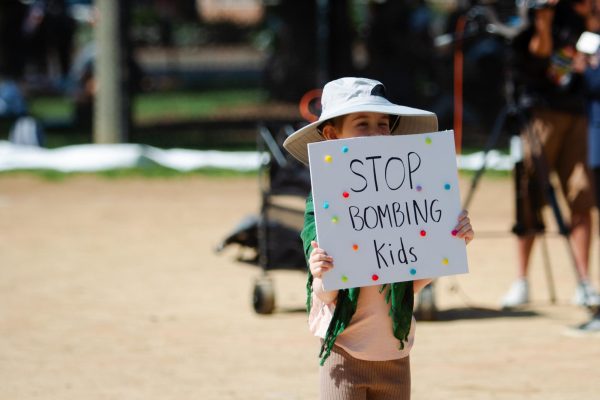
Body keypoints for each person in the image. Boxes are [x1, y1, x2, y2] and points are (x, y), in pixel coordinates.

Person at [283, 77, 475, 399]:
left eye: (383, 124)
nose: (376, 133)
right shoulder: (323, 207)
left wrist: (450, 241)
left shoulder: (407, 196)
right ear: (332, 135)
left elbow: (410, 281)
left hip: (396, 355)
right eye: (362, 124)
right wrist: (319, 274)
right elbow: (327, 296)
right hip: (343, 356)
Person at [501, 0, 600, 309]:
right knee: (530, 194)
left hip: (575, 113)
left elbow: (587, 42)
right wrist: (542, 18)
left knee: (581, 194)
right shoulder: (527, 16)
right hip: (539, 114)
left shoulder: (576, 14)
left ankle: (585, 282)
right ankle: (522, 280)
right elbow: (539, 55)